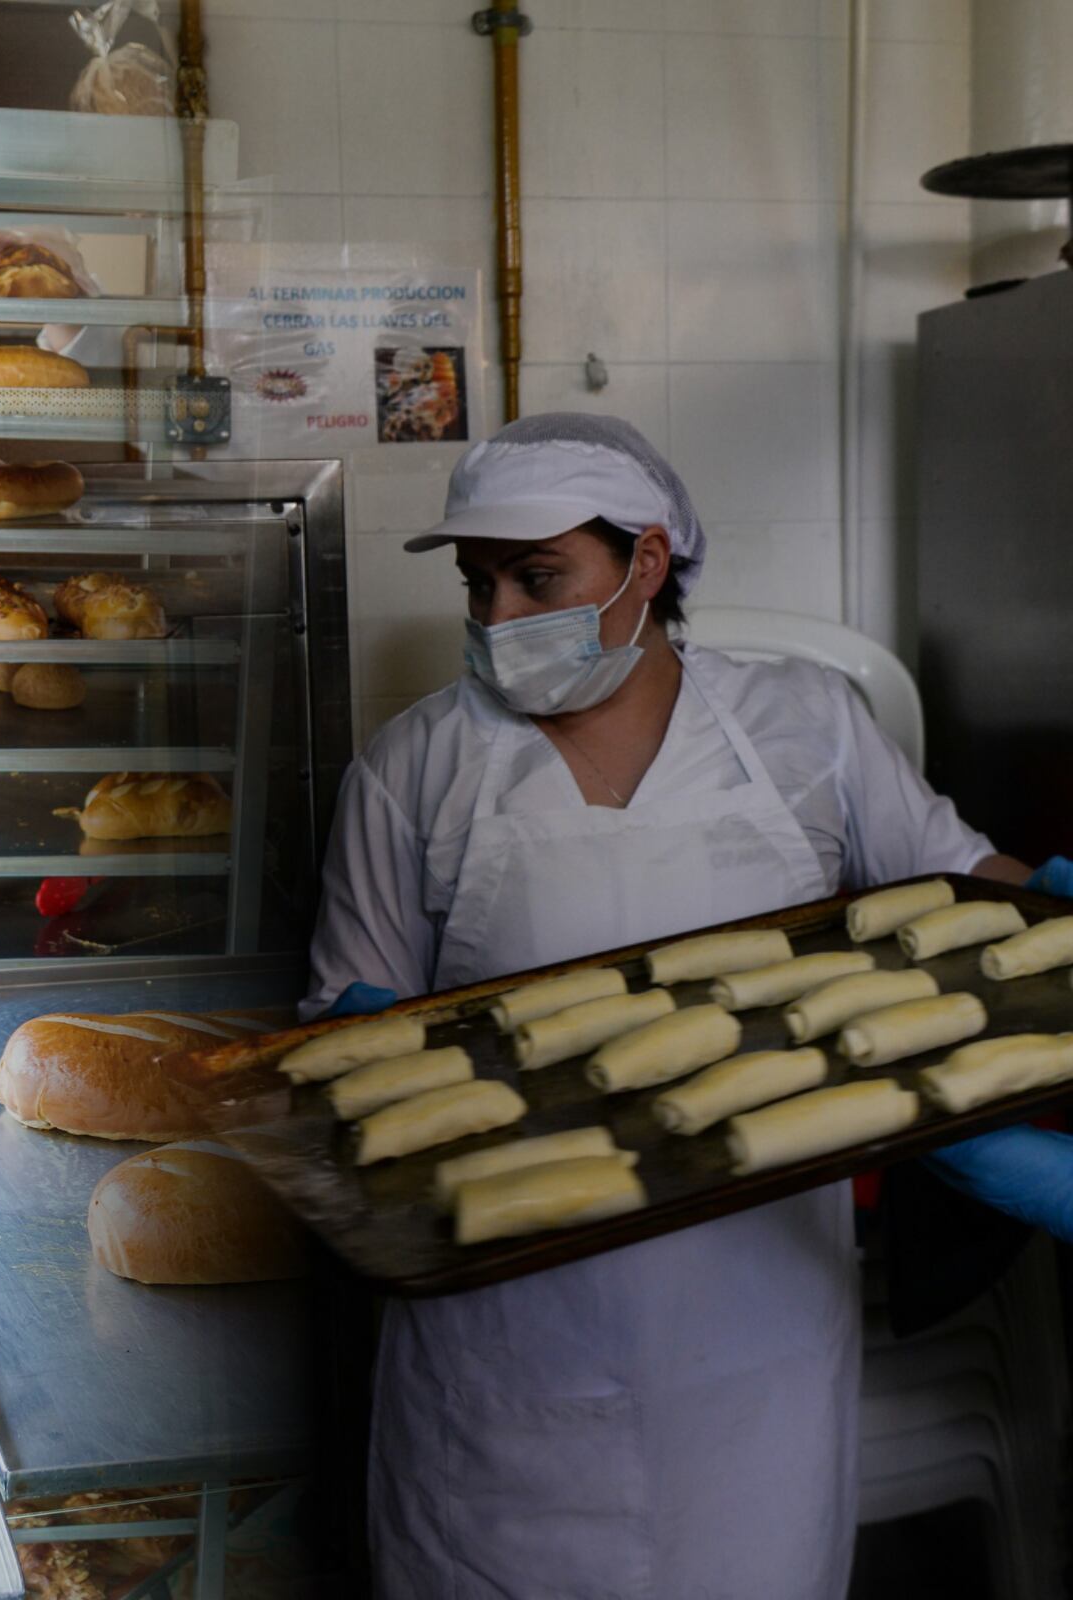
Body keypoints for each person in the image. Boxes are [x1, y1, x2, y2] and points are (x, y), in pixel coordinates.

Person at [306, 413, 1073, 1599]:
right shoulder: (411, 767)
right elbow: (339, 1048)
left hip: (754, 1320)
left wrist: (1052, 926)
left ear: (646, 563)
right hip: (500, 1334)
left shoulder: (803, 723)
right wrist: (348, 1054)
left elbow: (961, 886)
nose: (496, 617)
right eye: (477, 583)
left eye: (536, 576)